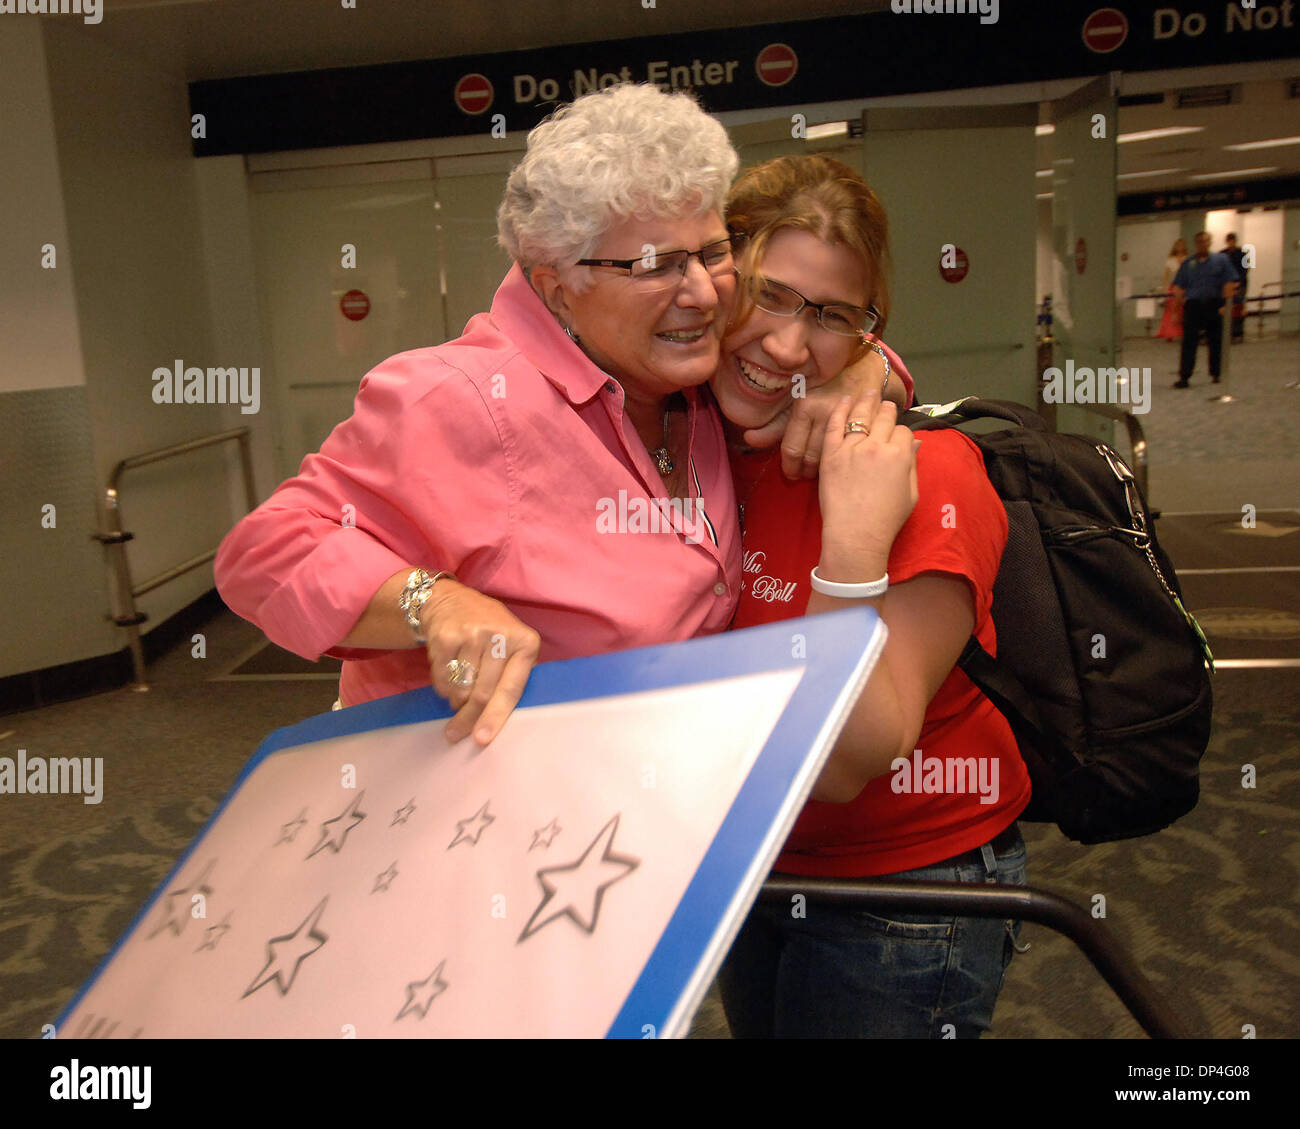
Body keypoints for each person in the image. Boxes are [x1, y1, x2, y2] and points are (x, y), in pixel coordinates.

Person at [213, 83, 901, 748]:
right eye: (657, 264)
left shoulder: (685, 372)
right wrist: (435, 601)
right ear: (559, 286)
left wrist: (863, 372)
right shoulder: (463, 398)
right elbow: (264, 552)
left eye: (714, 253)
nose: (701, 291)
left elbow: (803, 345)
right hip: (472, 818)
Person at [707, 154, 1031, 1038]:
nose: (785, 345)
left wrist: (852, 542)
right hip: (756, 866)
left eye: (831, 317)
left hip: (906, 888)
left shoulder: (932, 469)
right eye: (767, 294)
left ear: (865, 327)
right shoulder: (695, 444)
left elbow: (851, 760)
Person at [1170, 230, 1241, 388]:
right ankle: (1185, 376)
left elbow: (1229, 282)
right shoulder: (1188, 263)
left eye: (1206, 241)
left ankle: (1216, 373)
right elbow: (1180, 287)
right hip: (1193, 305)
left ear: (1210, 242)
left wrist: (1226, 305)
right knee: (1189, 342)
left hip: (1214, 304)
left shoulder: (1221, 260)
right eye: (1200, 241)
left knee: (1216, 340)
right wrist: (1176, 311)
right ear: (1196, 244)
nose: (1203, 244)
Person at [1156, 237, 1186, 341]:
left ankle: (1182, 333)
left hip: (1185, 287)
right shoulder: (1170, 260)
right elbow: (1166, 276)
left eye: (1182, 245)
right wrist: (1164, 289)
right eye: (1178, 245)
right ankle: (1169, 333)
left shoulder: (1188, 259)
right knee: (1171, 310)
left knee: (1183, 310)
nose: (1180, 247)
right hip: (1174, 287)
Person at [1222, 232, 1248, 344]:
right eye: (1229, 241)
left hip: (1240, 284)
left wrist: (1238, 282)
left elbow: (1245, 270)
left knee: (1238, 308)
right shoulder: (1222, 254)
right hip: (1226, 285)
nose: (1231, 243)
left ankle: (1238, 332)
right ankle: (1227, 331)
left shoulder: (1242, 254)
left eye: (1232, 241)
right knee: (1226, 308)